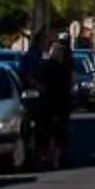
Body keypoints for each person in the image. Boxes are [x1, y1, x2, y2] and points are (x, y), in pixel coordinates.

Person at [34, 32, 76, 170]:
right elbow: (70, 83)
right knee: (58, 131)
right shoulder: (66, 67)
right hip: (60, 101)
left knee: (50, 130)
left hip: (51, 102)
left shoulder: (49, 66)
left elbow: (42, 83)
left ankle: (50, 157)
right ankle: (55, 157)